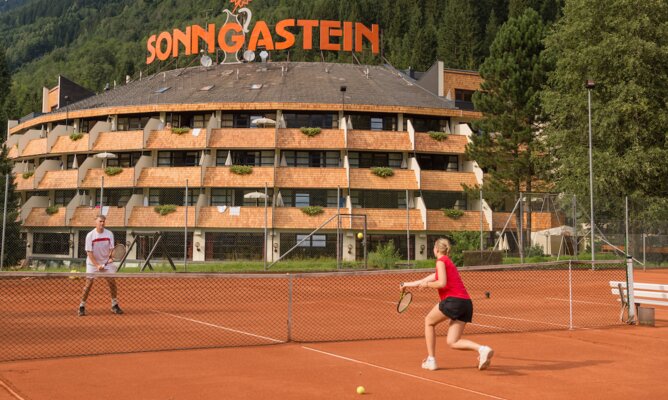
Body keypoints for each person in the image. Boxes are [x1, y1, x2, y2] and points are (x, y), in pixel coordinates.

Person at [401, 238, 493, 371]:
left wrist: (427, 285)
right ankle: (482, 349)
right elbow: (425, 279)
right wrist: (405, 284)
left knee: (428, 321)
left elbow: (441, 283)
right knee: (453, 341)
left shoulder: (440, 261)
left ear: (436, 249)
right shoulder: (447, 263)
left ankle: (431, 360)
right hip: (466, 304)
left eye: (433, 247)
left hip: (453, 302)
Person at [78, 215, 123, 316]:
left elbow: (111, 249)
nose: (102, 223)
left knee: (112, 282)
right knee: (88, 284)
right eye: (100, 221)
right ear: (96, 222)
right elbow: (89, 253)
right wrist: (97, 265)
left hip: (106, 262)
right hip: (92, 263)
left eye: (103, 221)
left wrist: (110, 258)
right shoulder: (90, 235)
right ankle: (82, 306)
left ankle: (114, 304)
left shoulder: (109, 234)